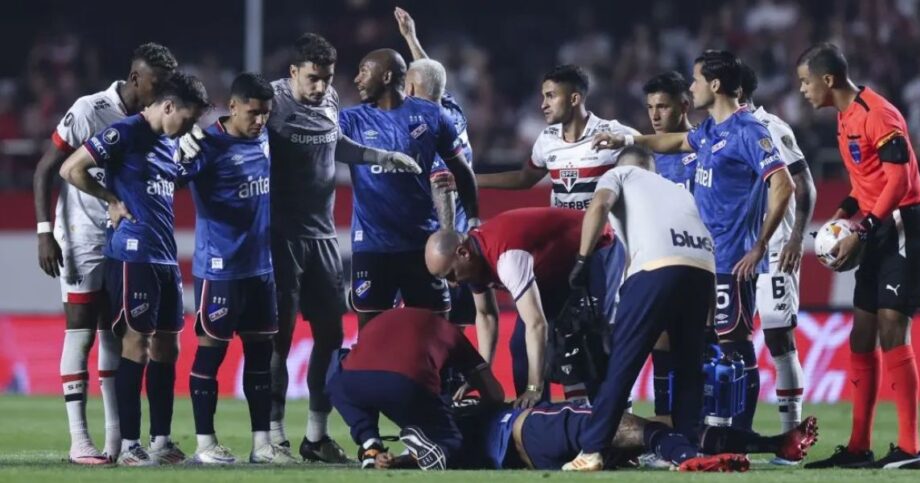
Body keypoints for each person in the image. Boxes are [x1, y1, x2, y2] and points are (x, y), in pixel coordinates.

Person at [178, 33, 419, 462]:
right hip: (279, 238)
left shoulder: (329, 103)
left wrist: (379, 156)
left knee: (330, 334)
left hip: (323, 236)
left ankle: (316, 436)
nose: (321, 87)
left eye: (327, 78)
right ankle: (274, 437)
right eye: (313, 78)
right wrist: (192, 137)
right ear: (293, 73)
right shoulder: (269, 104)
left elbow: (335, 144)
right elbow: (233, 126)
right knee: (279, 340)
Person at [593, 50, 795, 432]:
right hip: (704, 259)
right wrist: (626, 138)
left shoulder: (748, 130)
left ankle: (738, 437)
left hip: (733, 258)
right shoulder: (711, 132)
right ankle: (702, 431)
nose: (691, 86)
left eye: (696, 80)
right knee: (698, 349)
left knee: (734, 349)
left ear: (714, 85)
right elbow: (673, 143)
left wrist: (759, 246)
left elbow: (782, 185)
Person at [32, 43, 178, 464]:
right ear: (135, 79)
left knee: (115, 334)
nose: (162, 92)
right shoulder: (89, 109)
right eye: (157, 83)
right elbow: (48, 167)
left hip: (122, 241)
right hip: (80, 235)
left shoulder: (151, 121)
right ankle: (79, 439)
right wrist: (45, 233)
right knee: (78, 331)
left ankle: (115, 441)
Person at [59, 72, 210, 466]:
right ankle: (128, 445)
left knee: (168, 347)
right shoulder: (126, 132)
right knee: (136, 345)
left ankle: (160, 440)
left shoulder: (168, 144)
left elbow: (165, 186)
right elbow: (71, 168)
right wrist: (109, 199)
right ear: (168, 106)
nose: (189, 127)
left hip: (164, 255)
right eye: (188, 119)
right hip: (131, 255)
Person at [797, 42, 920, 470]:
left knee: (893, 328)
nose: (802, 90)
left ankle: (911, 449)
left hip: (905, 224)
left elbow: (898, 180)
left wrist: (863, 229)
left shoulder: (878, 113)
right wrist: (841, 216)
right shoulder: (845, 118)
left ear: (828, 79)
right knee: (862, 334)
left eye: (805, 82)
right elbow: (866, 183)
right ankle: (859, 447)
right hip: (877, 225)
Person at [561, 146, 716, 471]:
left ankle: (591, 450)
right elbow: (703, 236)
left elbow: (599, 205)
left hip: (657, 269)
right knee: (689, 368)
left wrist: (581, 259)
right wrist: (711, 312)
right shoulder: (676, 190)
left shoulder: (619, 174)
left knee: (623, 364)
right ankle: (686, 451)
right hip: (702, 270)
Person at [180, 73, 296, 465]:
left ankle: (262, 445)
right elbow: (173, 176)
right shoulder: (207, 144)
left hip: (260, 269)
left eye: (265, 113)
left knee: (261, 358)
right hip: (220, 269)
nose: (260, 121)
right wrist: (177, 148)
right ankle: (204, 443)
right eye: (253, 112)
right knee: (211, 354)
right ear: (232, 106)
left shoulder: (263, 137)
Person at [424, 207, 624, 407]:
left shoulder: (508, 258)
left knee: (588, 339)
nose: (453, 284)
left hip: (595, 247)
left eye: (450, 275)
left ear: (463, 253)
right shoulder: (473, 260)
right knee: (520, 346)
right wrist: (480, 377)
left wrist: (533, 388)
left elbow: (536, 324)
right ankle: (533, 418)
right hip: (553, 268)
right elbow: (486, 316)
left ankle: (611, 414)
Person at [339, 48, 479, 328]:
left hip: (422, 247)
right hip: (372, 247)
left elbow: (462, 172)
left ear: (387, 76)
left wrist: (472, 221)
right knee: (372, 337)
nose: (356, 79)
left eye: (364, 71)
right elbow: (323, 145)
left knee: (434, 333)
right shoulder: (350, 120)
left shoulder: (432, 116)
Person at [394, 6, 495, 329]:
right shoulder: (452, 111)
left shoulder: (426, 130)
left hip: (444, 248)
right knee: (462, 328)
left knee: (432, 329)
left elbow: (443, 182)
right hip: (463, 245)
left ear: (408, 90)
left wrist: (447, 238)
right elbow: (431, 78)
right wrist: (411, 37)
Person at [738, 63, 817, 451]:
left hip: (774, 251)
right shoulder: (723, 132)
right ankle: (732, 430)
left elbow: (805, 186)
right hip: (735, 250)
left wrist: (796, 238)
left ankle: (793, 434)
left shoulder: (773, 127)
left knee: (778, 338)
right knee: (730, 340)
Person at [326, 307, 504, 470]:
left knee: (341, 386)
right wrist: (472, 405)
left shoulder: (391, 317)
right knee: (450, 441)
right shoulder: (452, 333)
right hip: (405, 383)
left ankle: (371, 447)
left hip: (348, 382)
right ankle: (419, 450)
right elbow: (495, 394)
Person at [446, 400, 818, 472]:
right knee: (651, 430)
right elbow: (492, 390)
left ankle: (773, 443)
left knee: (665, 427)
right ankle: (689, 459)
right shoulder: (449, 413)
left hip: (534, 452)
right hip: (536, 425)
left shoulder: (444, 438)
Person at [476, 64, 639, 211]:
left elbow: (653, 154)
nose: (543, 104)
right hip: (562, 235)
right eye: (543, 96)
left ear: (574, 99)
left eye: (551, 96)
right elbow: (525, 178)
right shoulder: (547, 137)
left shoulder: (614, 132)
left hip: (603, 237)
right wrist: (470, 179)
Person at [638, 72, 698, 466]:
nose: (655, 115)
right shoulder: (649, 155)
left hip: (705, 261)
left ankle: (702, 428)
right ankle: (665, 427)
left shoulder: (706, 146)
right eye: (650, 108)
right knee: (660, 341)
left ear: (683, 106)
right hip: (662, 258)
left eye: (662, 106)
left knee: (703, 349)